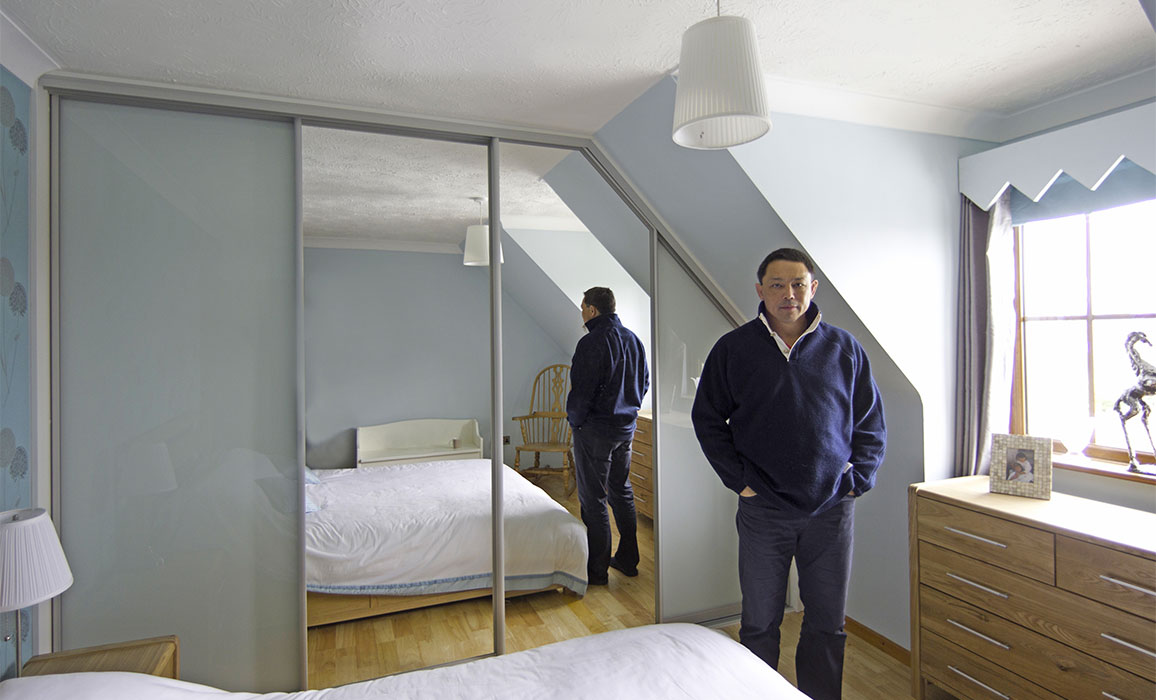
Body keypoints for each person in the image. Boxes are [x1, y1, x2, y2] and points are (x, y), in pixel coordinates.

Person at [691, 248, 886, 700]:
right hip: (764, 513)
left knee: (826, 623)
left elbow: (871, 421)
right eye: (777, 284)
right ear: (760, 291)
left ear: (813, 289)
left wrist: (860, 479)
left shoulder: (845, 348)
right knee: (760, 623)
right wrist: (740, 481)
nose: (789, 294)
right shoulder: (733, 350)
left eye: (798, 284)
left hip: (831, 512)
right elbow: (708, 421)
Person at [566, 287, 649, 586]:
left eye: (582, 307)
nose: (581, 313)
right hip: (625, 428)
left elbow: (582, 392)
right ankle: (628, 559)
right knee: (620, 490)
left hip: (595, 432)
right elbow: (645, 382)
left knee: (594, 498)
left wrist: (575, 421)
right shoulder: (634, 340)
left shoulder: (591, 342)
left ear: (591, 309)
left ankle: (596, 570)